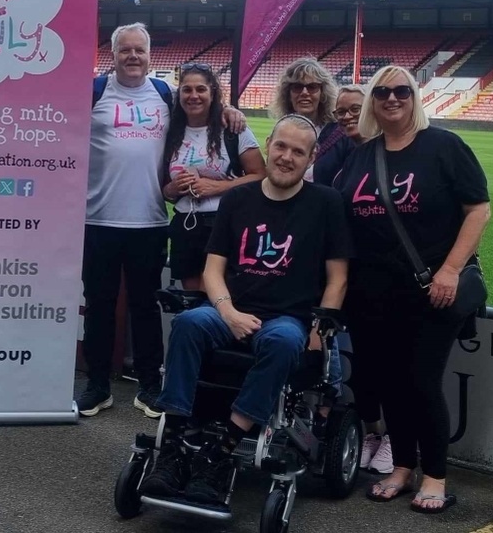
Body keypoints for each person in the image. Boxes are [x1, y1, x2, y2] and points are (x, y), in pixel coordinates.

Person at [140, 115, 350, 505]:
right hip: (230, 309)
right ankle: (173, 446)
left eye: (298, 151)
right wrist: (228, 311)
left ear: (312, 157)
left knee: (286, 342)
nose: (287, 157)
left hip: (288, 317)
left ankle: (221, 451)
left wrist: (321, 329)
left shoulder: (326, 203)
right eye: (282, 146)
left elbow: (337, 277)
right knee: (188, 323)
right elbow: (213, 269)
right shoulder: (238, 198)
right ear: (269, 143)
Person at [335, 66, 490, 513]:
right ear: (372, 101)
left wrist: (451, 270)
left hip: (431, 292)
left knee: (421, 382)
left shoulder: (442, 146)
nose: (392, 98)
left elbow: (478, 209)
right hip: (372, 295)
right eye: (382, 91)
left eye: (402, 90)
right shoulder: (362, 155)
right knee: (387, 383)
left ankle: (436, 476)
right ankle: (402, 467)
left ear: (415, 96)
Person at [78, 23, 245, 419]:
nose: (133, 57)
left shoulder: (165, 95)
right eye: (125, 51)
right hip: (97, 218)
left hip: (150, 222)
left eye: (140, 50)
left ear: (150, 56)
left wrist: (229, 109)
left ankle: (150, 385)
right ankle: (97, 385)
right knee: (99, 306)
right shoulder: (94, 92)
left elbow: (200, 105)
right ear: (113, 54)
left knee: (145, 306)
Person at [331, 85, 393, 474]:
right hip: (355, 281)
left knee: (393, 365)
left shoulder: (395, 156)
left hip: (394, 282)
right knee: (366, 367)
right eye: (340, 112)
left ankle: (395, 437)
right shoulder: (348, 164)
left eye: (355, 109)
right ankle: (373, 432)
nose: (347, 116)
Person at [161, 63, 265, 291]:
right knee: (192, 298)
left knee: (221, 297)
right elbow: (165, 192)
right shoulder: (171, 131)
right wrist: (173, 189)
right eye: (187, 90)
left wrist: (216, 187)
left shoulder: (232, 129)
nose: (193, 96)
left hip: (224, 223)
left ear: (213, 92)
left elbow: (260, 176)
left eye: (201, 89)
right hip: (185, 226)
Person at [270, 57, 351, 186]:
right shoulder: (281, 130)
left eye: (312, 87)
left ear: (322, 93)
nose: (304, 93)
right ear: (288, 94)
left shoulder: (340, 134)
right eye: (297, 87)